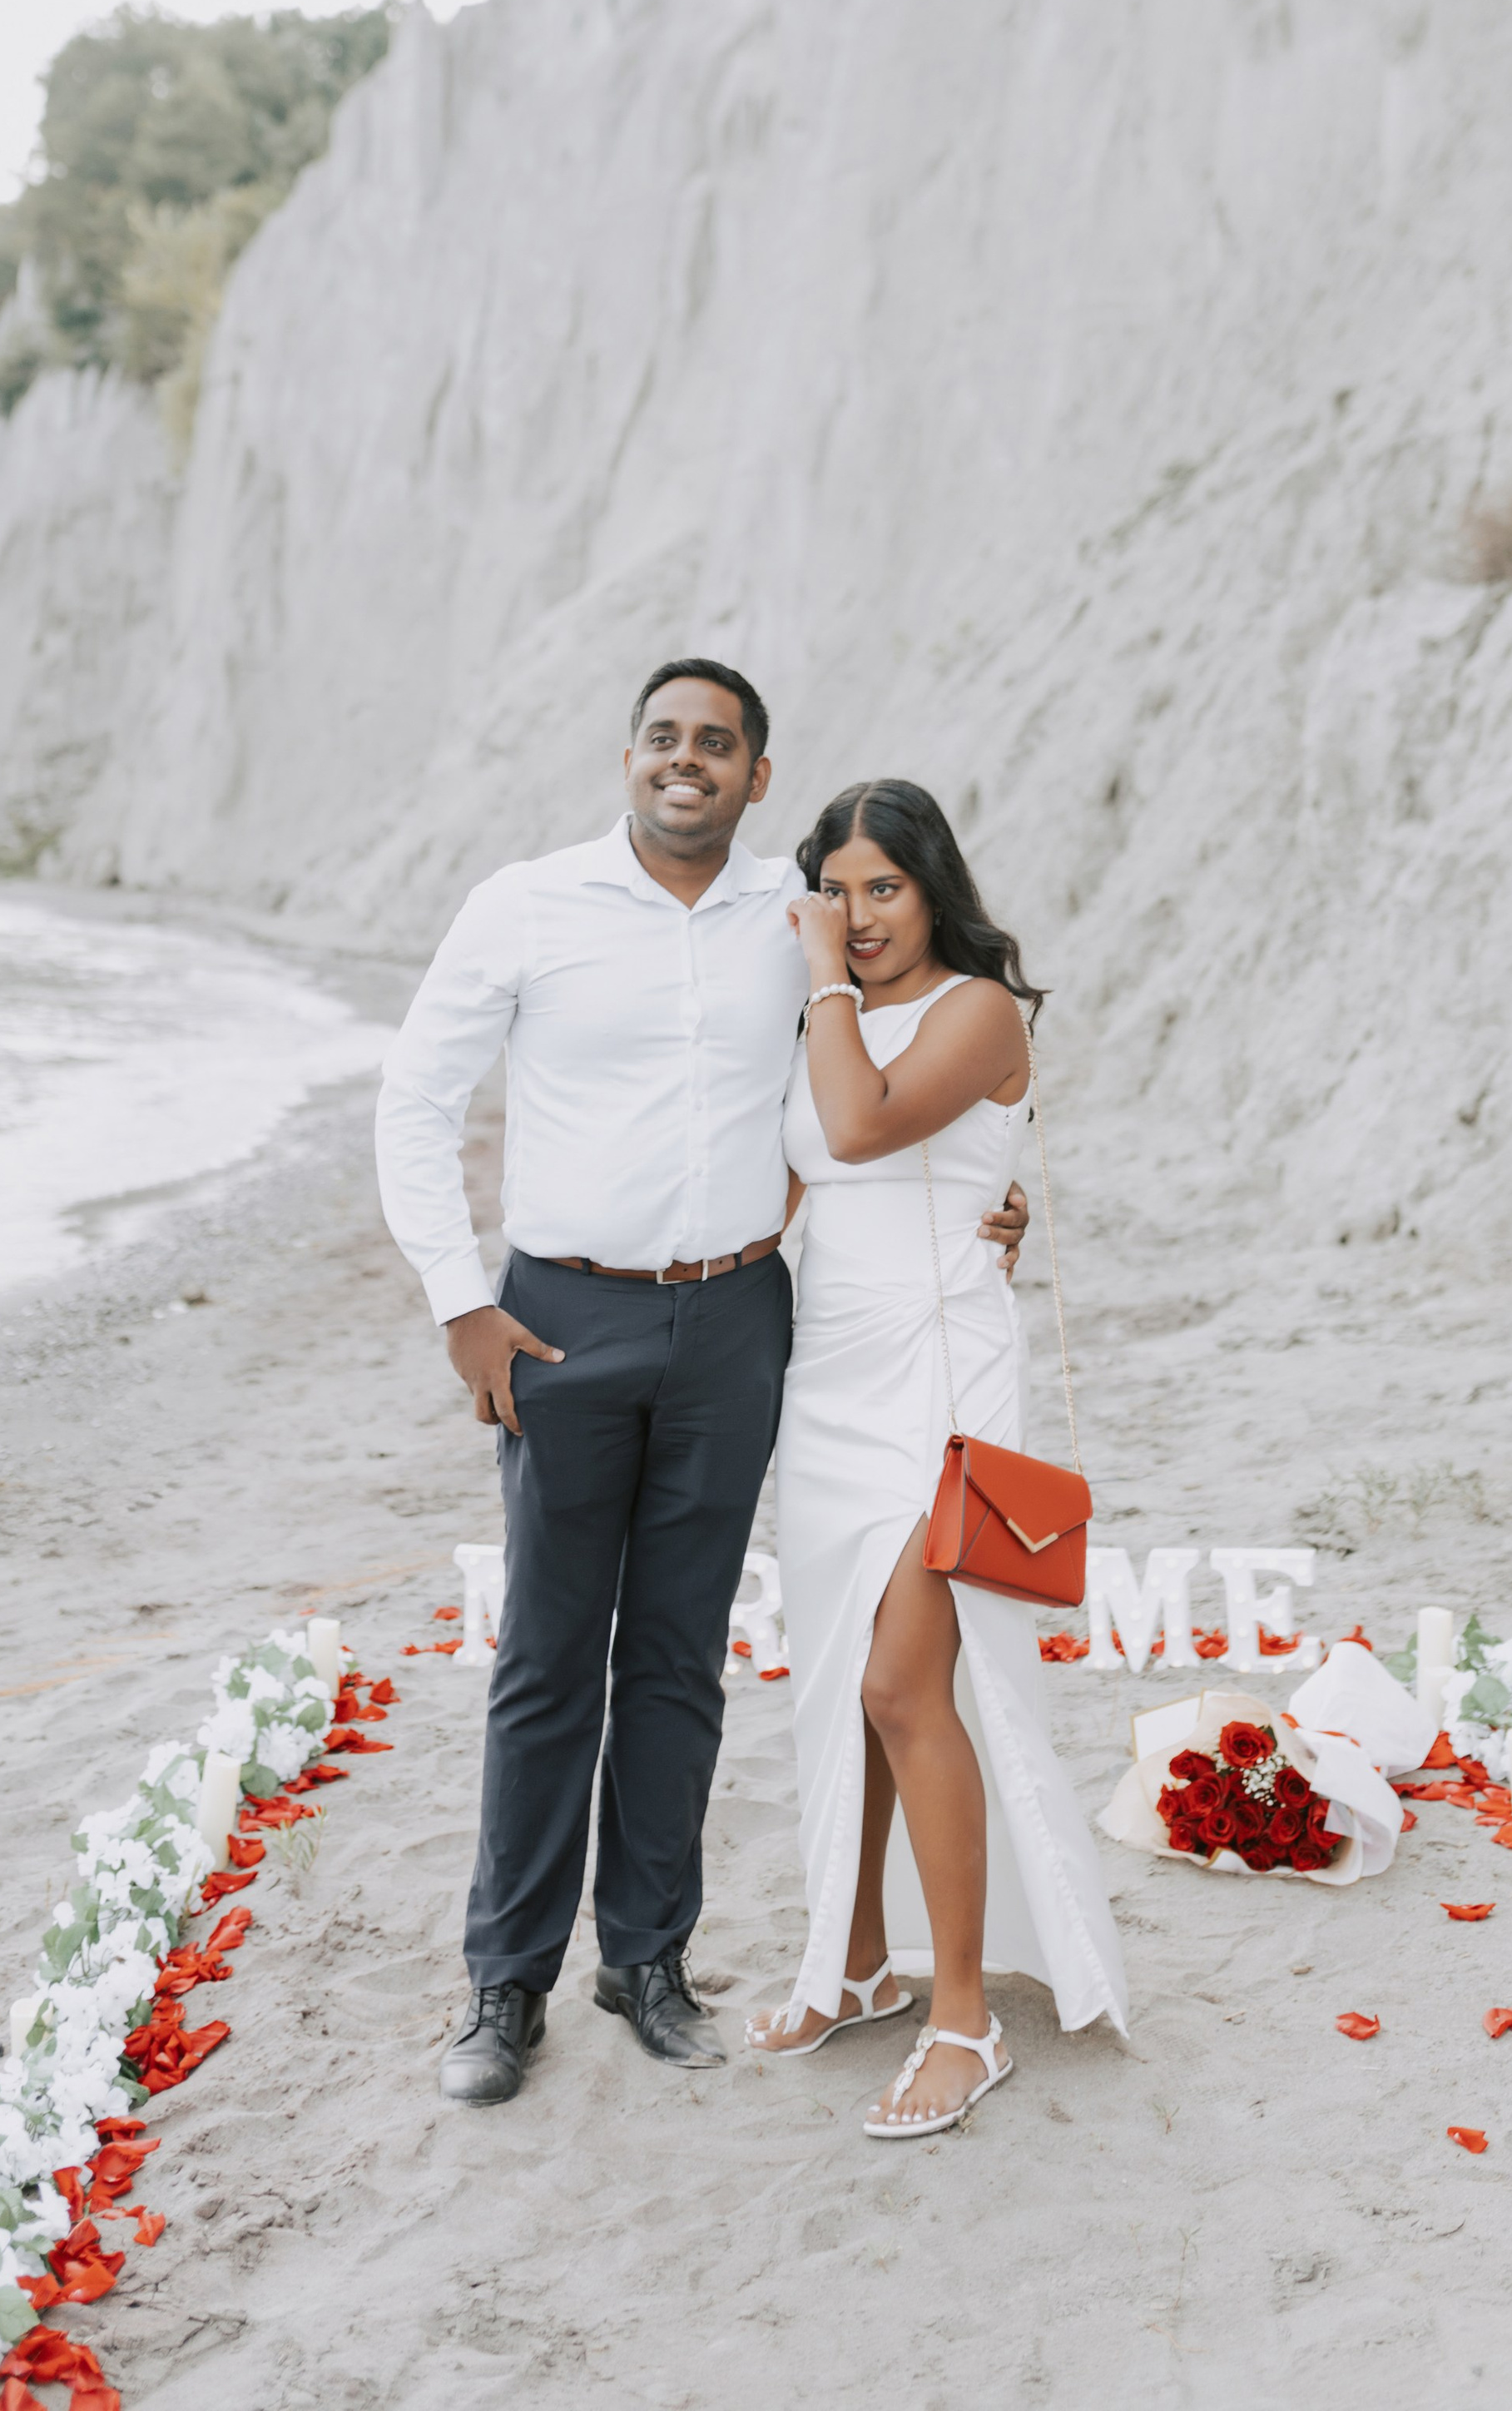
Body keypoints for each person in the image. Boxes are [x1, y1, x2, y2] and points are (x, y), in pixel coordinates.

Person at [373, 666, 1031, 2106]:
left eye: (716, 744)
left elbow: (903, 1100)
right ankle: (504, 1987)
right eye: (665, 739)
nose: (688, 761)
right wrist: (460, 1304)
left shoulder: (792, 932)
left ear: (757, 776)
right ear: (628, 759)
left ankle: (649, 1962)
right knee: (548, 1660)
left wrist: (1000, 1200)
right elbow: (415, 1102)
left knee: (681, 1657)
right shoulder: (525, 903)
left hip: (742, 1321)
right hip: (557, 1321)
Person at [743, 779, 1128, 2136]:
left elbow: (857, 1128)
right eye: (833, 891)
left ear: (932, 889)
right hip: (830, 1385)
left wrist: (817, 990)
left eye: (883, 888)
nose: (855, 918)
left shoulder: (977, 1007)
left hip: (943, 1383)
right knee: (843, 1686)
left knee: (911, 1685)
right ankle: (853, 1965)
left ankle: (965, 2018)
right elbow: (786, 1181)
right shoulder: (822, 1027)